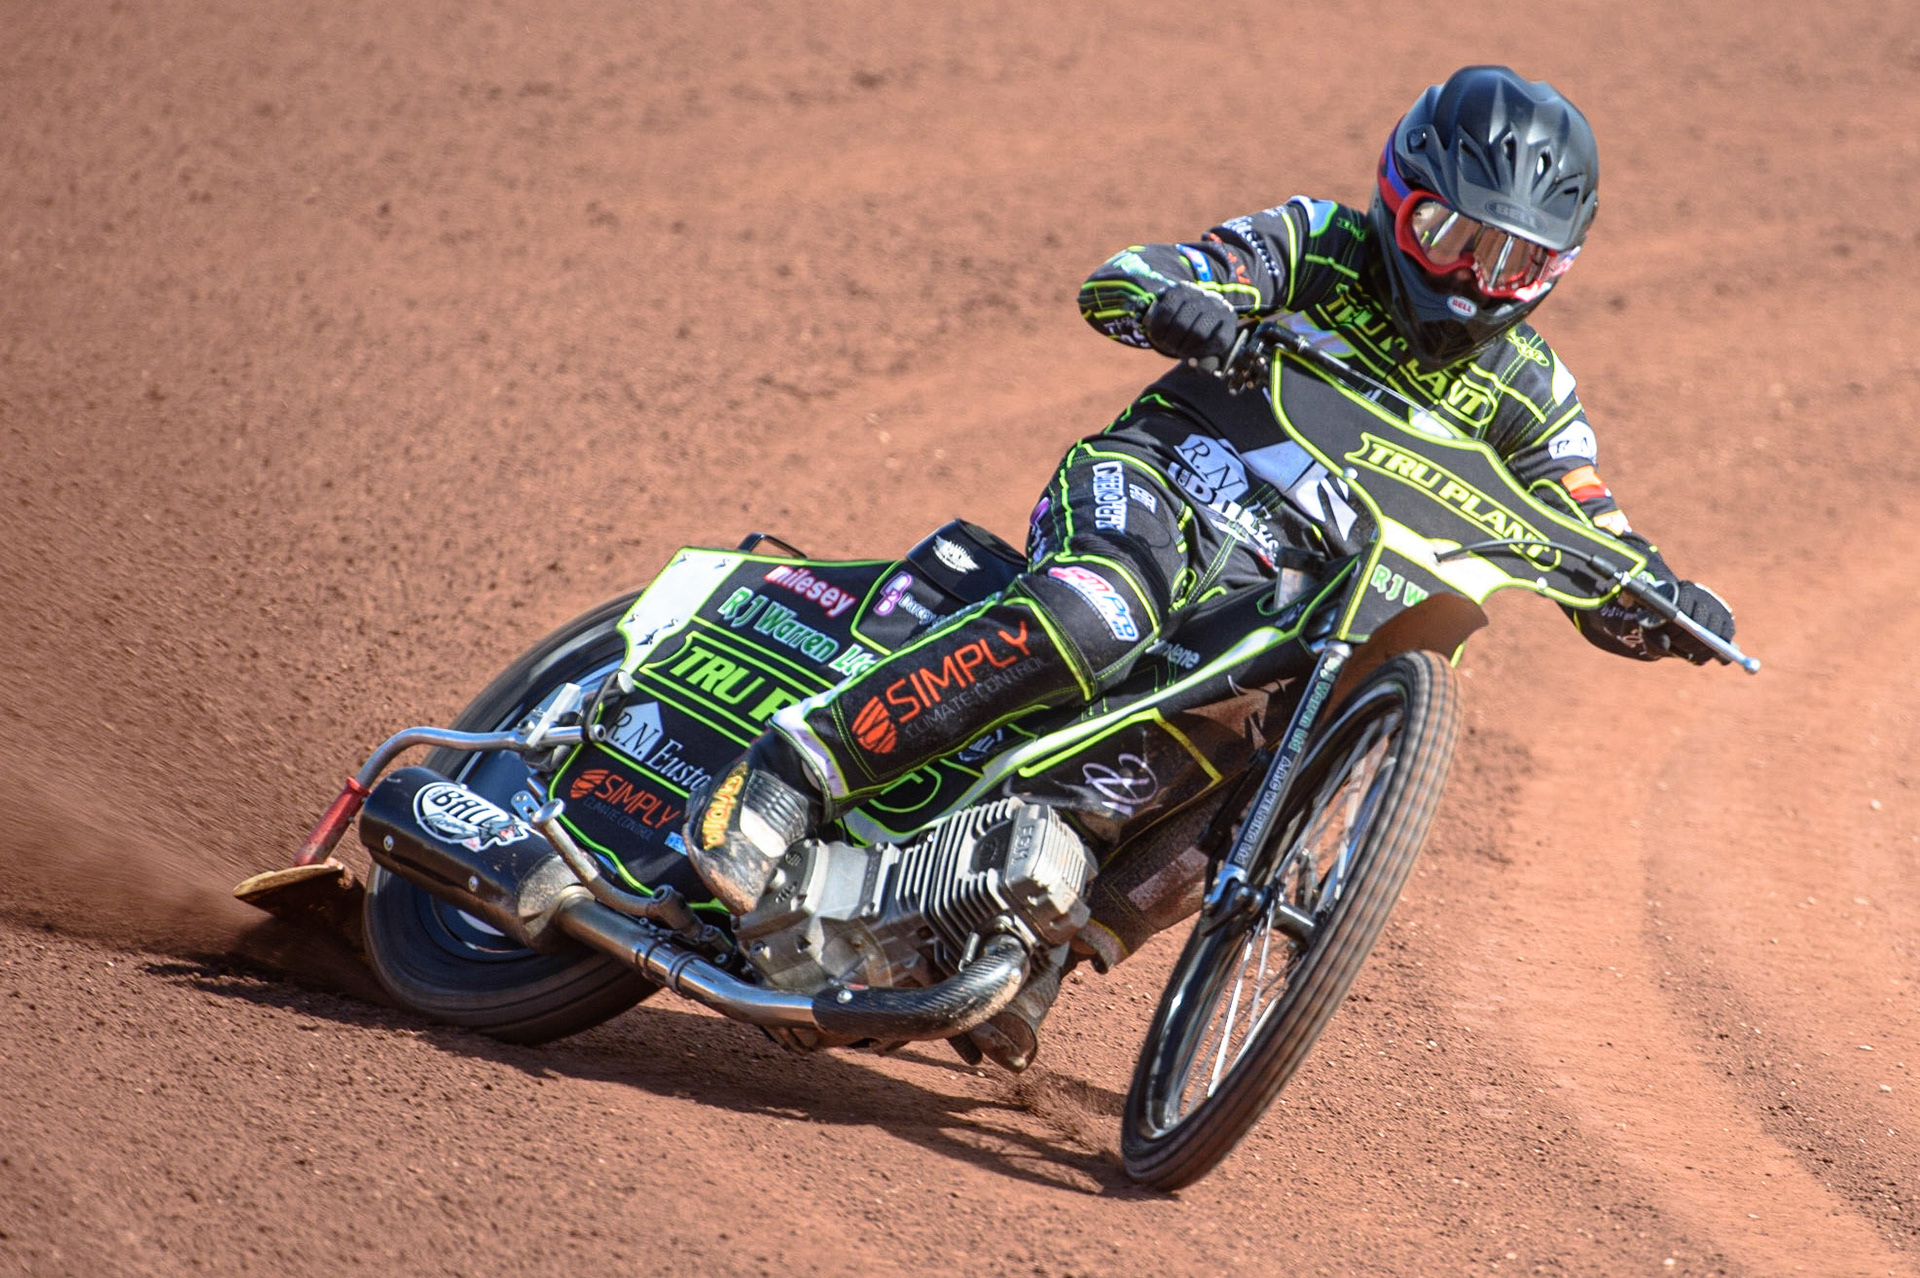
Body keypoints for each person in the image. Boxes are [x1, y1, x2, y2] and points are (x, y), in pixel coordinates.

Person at [684, 65, 1736, 1069]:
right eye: (1451, 236)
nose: (1472, 280)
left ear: (1555, 272)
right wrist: (1182, 299)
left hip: (1290, 601)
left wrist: (1661, 599)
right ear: (1398, 195)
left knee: (1296, 740)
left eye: (1511, 263)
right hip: (1160, 487)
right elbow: (1132, 275)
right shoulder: (1320, 246)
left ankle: (1051, 938)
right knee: (1101, 613)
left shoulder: (1533, 392)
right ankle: (788, 770)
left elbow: (1590, 521)